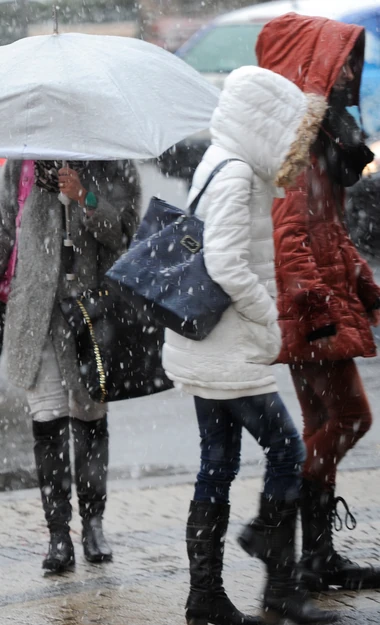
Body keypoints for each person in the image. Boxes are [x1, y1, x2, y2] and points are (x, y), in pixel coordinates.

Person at [161, 66, 335, 625]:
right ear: (267, 123)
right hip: (229, 347)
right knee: (287, 451)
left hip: (206, 344)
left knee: (217, 464)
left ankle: (205, 598)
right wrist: (268, 320)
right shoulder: (237, 174)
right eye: (292, 131)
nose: (297, 147)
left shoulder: (219, 161)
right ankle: (277, 580)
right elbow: (226, 263)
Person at [0, 156, 139, 572]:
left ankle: (93, 524)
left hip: (92, 315)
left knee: (89, 417)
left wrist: (85, 198)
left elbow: (125, 233)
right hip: (37, 315)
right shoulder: (22, 164)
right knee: (48, 420)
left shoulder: (112, 160)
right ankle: (58, 534)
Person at [257, 13, 380, 592]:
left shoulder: (320, 142)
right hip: (313, 314)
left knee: (325, 423)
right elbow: (289, 238)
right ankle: (273, 526)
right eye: (342, 62)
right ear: (314, 68)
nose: (349, 73)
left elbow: (328, 229)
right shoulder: (297, 148)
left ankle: (315, 556)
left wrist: (361, 279)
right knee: (352, 419)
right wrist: (316, 308)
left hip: (321, 304)